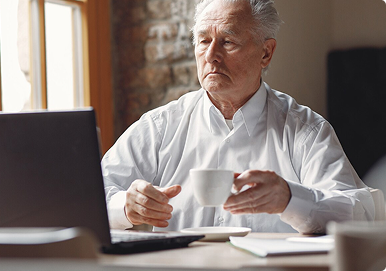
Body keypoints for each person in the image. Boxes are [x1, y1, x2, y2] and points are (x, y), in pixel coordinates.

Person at [102, 0, 375, 233]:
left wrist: (291, 199)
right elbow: (90, 195)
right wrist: (126, 205)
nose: (211, 55)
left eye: (228, 41)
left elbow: (361, 213)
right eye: (203, 41)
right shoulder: (159, 128)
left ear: (266, 53)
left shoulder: (305, 131)